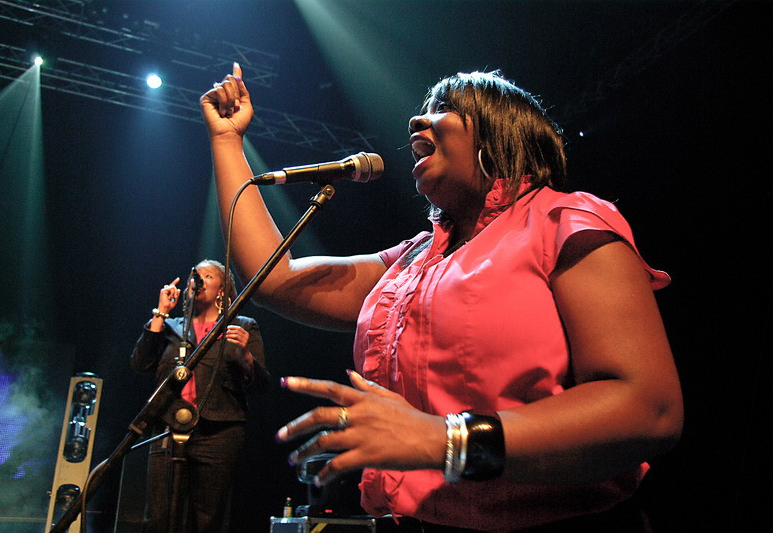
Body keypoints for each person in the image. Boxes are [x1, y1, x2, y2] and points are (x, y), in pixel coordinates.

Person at [200, 64, 683, 532]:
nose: (416, 120)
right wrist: (227, 141)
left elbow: (648, 408)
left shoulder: (564, 220)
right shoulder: (412, 258)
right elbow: (274, 279)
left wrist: (446, 439)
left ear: (500, 132)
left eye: (446, 107)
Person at [130, 259, 268, 532]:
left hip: (219, 432)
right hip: (168, 427)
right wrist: (161, 313)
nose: (198, 280)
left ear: (222, 289)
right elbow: (140, 363)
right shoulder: (172, 328)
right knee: (160, 516)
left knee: (208, 517)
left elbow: (261, 385)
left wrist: (245, 356)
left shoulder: (242, 326)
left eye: (207, 275)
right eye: (196, 275)